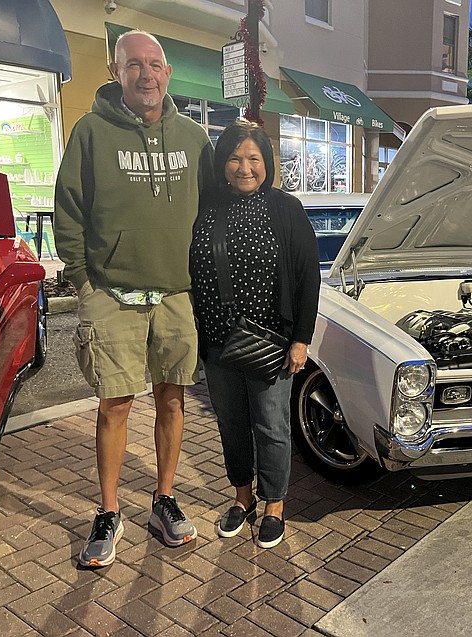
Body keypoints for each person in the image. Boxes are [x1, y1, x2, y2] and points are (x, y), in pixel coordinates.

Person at [54, 30, 215, 567]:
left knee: (172, 399)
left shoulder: (194, 138)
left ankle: (163, 498)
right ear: (115, 72)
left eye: (154, 65)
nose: (145, 74)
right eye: (133, 66)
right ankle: (108, 511)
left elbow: (214, 214)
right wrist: (82, 282)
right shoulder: (90, 132)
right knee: (114, 405)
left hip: (176, 294)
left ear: (168, 74)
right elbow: (70, 209)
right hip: (112, 293)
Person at [190, 121, 320, 549]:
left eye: (253, 159)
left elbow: (308, 278)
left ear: (267, 164)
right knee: (231, 424)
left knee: (271, 425)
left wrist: (301, 339)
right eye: (234, 158)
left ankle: (274, 505)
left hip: (272, 343)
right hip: (217, 340)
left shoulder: (286, 209)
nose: (244, 168)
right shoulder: (208, 207)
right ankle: (242, 498)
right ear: (221, 164)